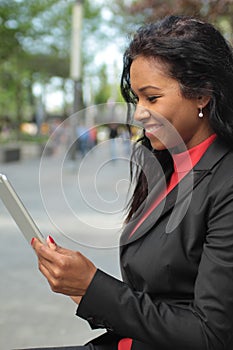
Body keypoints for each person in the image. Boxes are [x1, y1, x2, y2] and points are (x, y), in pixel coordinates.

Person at [30, 15, 233, 350]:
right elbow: (151, 294)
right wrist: (81, 287)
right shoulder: (162, 166)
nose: (138, 113)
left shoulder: (225, 183)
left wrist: (92, 286)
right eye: (136, 99)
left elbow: (210, 336)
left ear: (202, 94)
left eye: (151, 98)